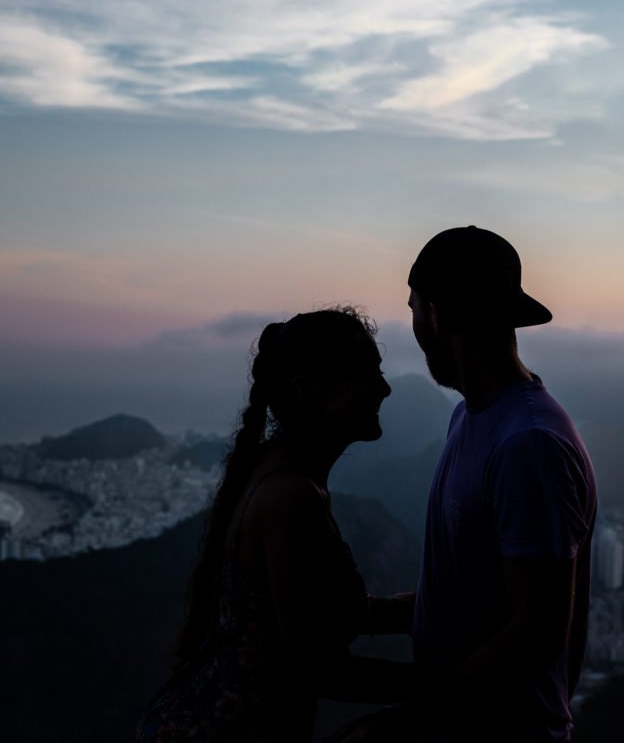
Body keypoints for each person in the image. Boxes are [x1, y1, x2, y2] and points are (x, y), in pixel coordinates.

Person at [332, 227, 597, 743]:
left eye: (413, 310)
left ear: (438, 315)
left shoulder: (528, 444)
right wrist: (369, 615)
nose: (412, 326)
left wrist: (400, 722)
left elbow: (536, 632)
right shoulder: (471, 419)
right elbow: (470, 596)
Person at [137, 307, 415, 743]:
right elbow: (317, 666)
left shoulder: (279, 471)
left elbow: (313, 612)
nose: (384, 388)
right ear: (308, 393)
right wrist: (451, 683)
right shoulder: (290, 497)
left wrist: (418, 609)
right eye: (364, 375)